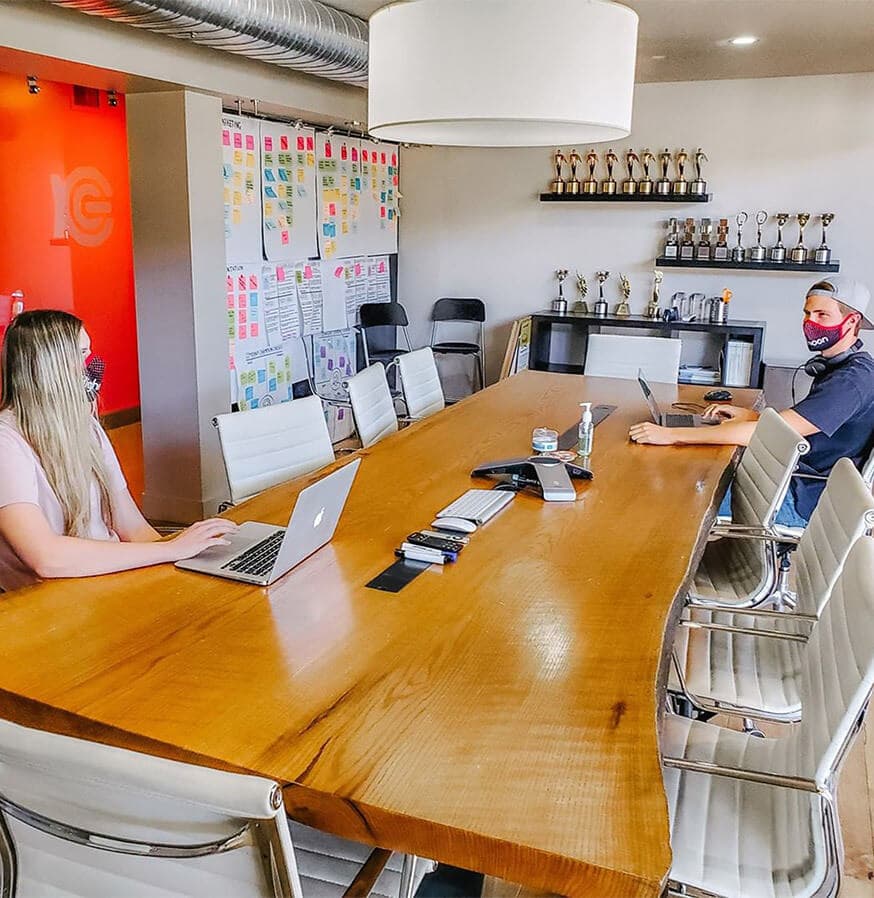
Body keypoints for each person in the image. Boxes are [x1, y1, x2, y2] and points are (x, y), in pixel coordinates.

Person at [0, 310, 236, 592]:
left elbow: (133, 528)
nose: (90, 365)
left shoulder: (86, 426)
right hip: (53, 599)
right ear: (52, 365)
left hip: (107, 582)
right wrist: (171, 549)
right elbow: (46, 558)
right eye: (82, 353)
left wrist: (192, 560)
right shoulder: (7, 442)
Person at [629, 277, 874, 526]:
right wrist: (752, 416)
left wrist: (672, 435)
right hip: (791, 481)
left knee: (678, 489)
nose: (810, 322)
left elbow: (773, 435)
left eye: (822, 315)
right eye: (807, 313)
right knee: (686, 475)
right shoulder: (841, 368)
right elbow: (799, 426)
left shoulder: (852, 381)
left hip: (801, 500)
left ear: (852, 321)